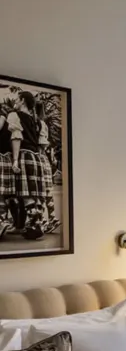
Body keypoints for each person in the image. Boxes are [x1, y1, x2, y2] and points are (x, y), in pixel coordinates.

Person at [7, 91, 51, 240]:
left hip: (24, 155)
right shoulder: (37, 121)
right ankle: (36, 224)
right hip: (36, 158)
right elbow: (41, 145)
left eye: (17, 99)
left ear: (22, 100)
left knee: (25, 193)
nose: (15, 101)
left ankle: (34, 225)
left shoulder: (14, 116)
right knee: (34, 193)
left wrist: (15, 160)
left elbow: (16, 138)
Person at [34, 101, 58, 234]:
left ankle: (43, 219)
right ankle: (52, 217)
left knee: (39, 191)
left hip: (38, 158)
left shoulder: (37, 123)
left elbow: (42, 143)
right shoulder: (43, 123)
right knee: (47, 191)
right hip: (45, 159)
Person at [0, 112, 14, 239]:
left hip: (2, 157)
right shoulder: (6, 119)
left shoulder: (2, 119)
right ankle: (3, 220)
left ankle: (2, 220)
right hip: (7, 157)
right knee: (3, 193)